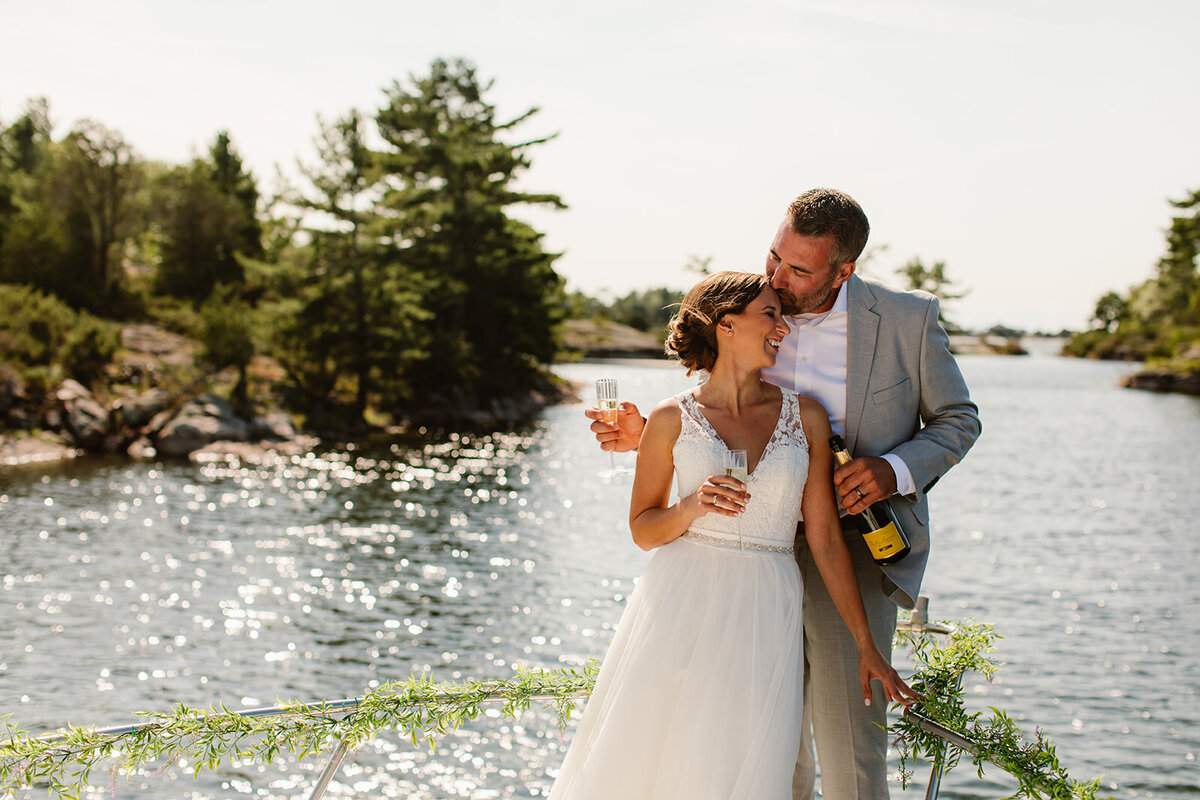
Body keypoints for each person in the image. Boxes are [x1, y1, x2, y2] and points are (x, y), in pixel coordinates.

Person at [586, 189, 981, 800]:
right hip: (728, 560)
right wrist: (648, 440)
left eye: (798, 270)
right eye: (774, 257)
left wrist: (893, 469)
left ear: (842, 270)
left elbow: (959, 419)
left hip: (845, 543)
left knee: (852, 747)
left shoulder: (908, 319)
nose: (778, 277)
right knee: (763, 747)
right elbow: (711, 414)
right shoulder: (754, 303)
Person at [551, 271, 916, 800]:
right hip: (683, 601)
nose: (782, 330)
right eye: (770, 315)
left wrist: (867, 644)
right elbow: (643, 530)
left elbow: (825, 538)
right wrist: (694, 505)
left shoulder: (805, 416)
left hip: (769, 604)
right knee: (666, 756)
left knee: (751, 760)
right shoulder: (670, 417)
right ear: (726, 325)